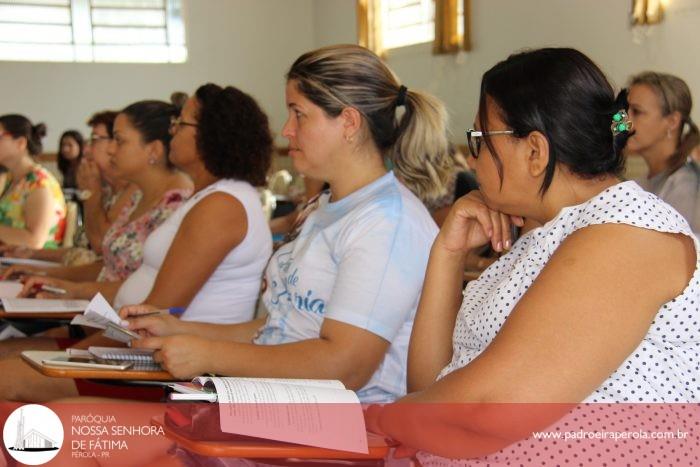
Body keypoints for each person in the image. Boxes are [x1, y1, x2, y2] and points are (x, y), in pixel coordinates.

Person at [365, 48, 698, 463]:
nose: (472, 159)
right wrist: (447, 254)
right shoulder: (546, 233)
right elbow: (431, 386)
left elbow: (492, 408)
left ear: (535, 152)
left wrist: (378, 419)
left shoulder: (628, 234)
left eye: (480, 141)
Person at [121, 44, 458, 405]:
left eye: (299, 115)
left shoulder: (387, 222)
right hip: (278, 407)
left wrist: (208, 354)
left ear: (348, 122)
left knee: (88, 431)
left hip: (346, 430)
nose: (286, 131)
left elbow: (347, 365)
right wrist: (182, 330)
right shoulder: (331, 206)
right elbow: (280, 328)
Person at [0, 84, 273, 402]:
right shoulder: (209, 198)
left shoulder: (222, 205)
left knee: (7, 377)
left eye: (180, 124)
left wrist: (76, 354)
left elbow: (156, 315)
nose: (173, 131)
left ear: (209, 135)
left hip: (169, 371)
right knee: (11, 360)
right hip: (142, 352)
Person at [5, 100, 192, 302]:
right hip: (101, 311)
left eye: (118, 140)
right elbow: (108, 266)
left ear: (153, 150)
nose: (111, 149)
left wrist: (91, 194)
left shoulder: (175, 203)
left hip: (122, 320)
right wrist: (43, 274)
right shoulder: (139, 195)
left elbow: (143, 284)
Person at [0, 111, 140, 265]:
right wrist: (30, 254)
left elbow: (101, 249)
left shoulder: (39, 183)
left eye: (94, 140)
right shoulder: (10, 180)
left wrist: (91, 193)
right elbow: (84, 252)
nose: (85, 150)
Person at [626, 71, 700, 232]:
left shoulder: (686, 185)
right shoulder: (638, 185)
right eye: (625, 111)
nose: (625, 121)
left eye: (636, 112)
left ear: (672, 121)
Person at [0, 115, 66, 249]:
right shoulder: (12, 179)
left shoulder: (39, 184)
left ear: (20, 143)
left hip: (31, 266)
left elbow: (34, 241)